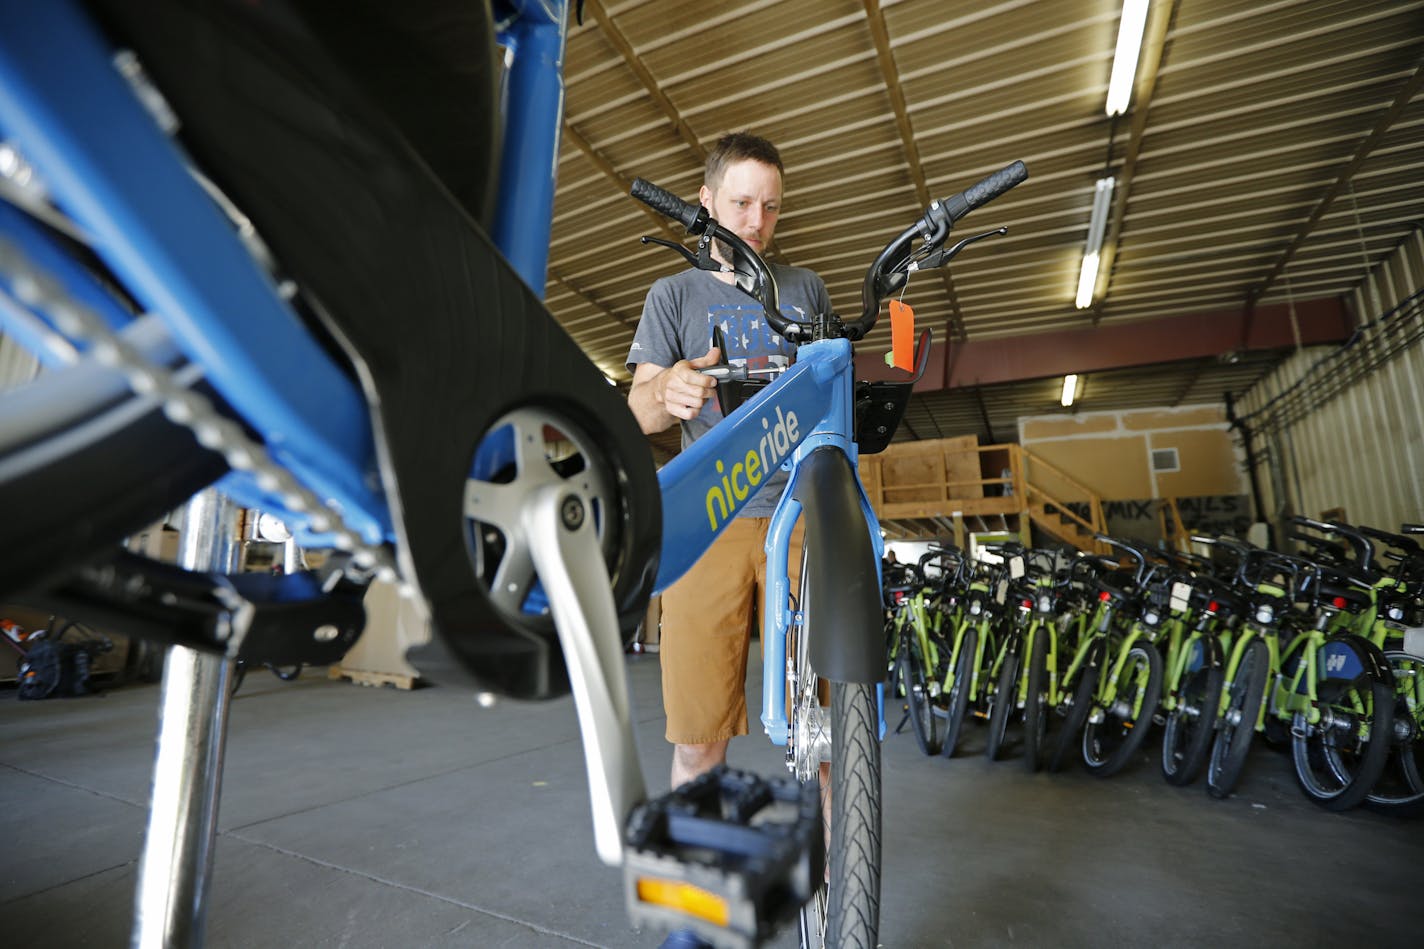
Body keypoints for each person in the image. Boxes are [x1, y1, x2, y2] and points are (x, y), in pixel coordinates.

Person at [626, 132, 833, 788]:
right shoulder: (674, 295)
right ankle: (698, 881)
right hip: (708, 520)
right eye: (742, 202)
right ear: (707, 200)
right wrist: (669, 389)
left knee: (822, 737)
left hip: (801, 518)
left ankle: (835, 885)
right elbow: (639, 412)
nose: (756, 221)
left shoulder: (806, 290)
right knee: (698, 738)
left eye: (771, 206)